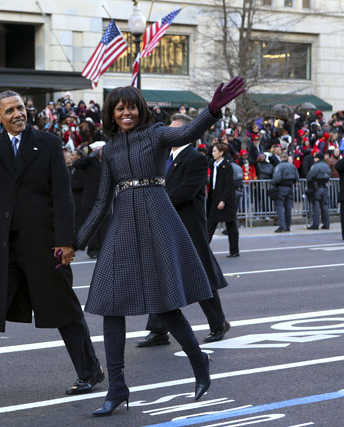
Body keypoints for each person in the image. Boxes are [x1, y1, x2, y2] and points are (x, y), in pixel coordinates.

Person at [77, 77, 245, 417]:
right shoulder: (107, 151)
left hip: (156, 218)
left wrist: (211, 110)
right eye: (120, 107)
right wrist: (74, 243)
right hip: (123, 225)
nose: (126, 112)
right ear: (112, 113)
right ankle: (117, 387)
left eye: (132, 106)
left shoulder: (156, 135)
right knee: (111, 306)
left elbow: (185, 134)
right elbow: (100, 202)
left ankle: (199, 361)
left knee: (165, 305)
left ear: (140, 110)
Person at [0, 91, 102, 406]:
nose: (18, 114)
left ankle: (90, 370)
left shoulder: (49, 144)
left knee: (64, 308)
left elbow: (63, 196)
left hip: (43, 244)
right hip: (2, 246)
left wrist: (67, 241)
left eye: (21, 108)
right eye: (10, 110)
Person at [137, 113, 231, 349]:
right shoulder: (162, 158)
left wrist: (154, 199)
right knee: (160, 278)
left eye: (175, 130)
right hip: (164, 225)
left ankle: (218, 323)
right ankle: (158, 330)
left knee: (201, 278)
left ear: (187, 132)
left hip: (188, 226)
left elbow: (186, 192)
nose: (170, 134)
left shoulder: (196, 159)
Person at [72, 141, 107, 258]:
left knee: (105, 225)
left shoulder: (107, 161)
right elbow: (77, 164)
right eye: (99, 149)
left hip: (105, 198)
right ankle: (93, 250)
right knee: (93, 225)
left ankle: (104, 248)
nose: (102, 152)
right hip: (91, 199)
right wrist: (91, 156)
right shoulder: (89, 162)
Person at [207, 142, 239, 257]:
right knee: (210, 225)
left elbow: (229, 185)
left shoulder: (227, 166)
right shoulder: (213, 164)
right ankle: (204, 250)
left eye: (215, 151)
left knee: (231, 226)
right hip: (214, 197)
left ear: (221, 153)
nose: (213, 153)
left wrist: (223, 200)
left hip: (225, 199)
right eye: (213, 151)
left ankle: (234, 250)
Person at [271, 152, 299, 232]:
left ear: (281, 158)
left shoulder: (279, 166)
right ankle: (288, 226)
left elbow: (276, 178)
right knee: (288, 208)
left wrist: (273, 183)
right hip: (290, 187)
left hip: (281, 187)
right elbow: (297, 177)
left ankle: (282, 226)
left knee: (279, 207)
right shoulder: (292, 166)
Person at [306, 152, 331, 230]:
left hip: (316, 188)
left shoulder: (315, 166)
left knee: (316, 207)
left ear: (318, 158)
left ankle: (315, 224)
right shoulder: (327, 166)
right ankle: (326, 224)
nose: (314, 159)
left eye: (315, 158)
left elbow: (309, 177)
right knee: (325, 207)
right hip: (325, 187)